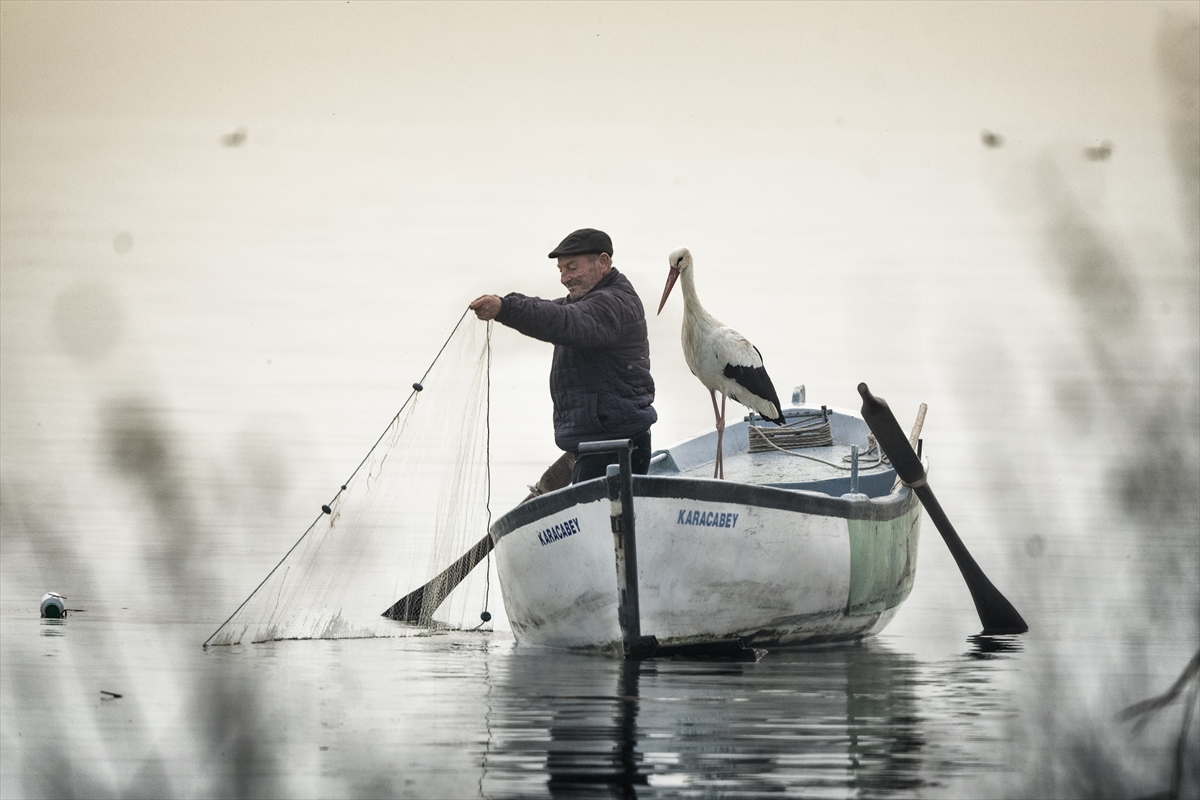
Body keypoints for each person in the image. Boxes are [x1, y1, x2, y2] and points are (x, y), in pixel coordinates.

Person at [470, 228, 657, 483]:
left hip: (615, 447)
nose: (564, 278)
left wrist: (505, 308)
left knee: (602, 509)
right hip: (599, 443)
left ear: (603, 262)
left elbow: (561, 320)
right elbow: (549, 309)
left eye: (572, 267)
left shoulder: (612, 303)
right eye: (561, 270)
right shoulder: (587, 302)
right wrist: (505, 304)